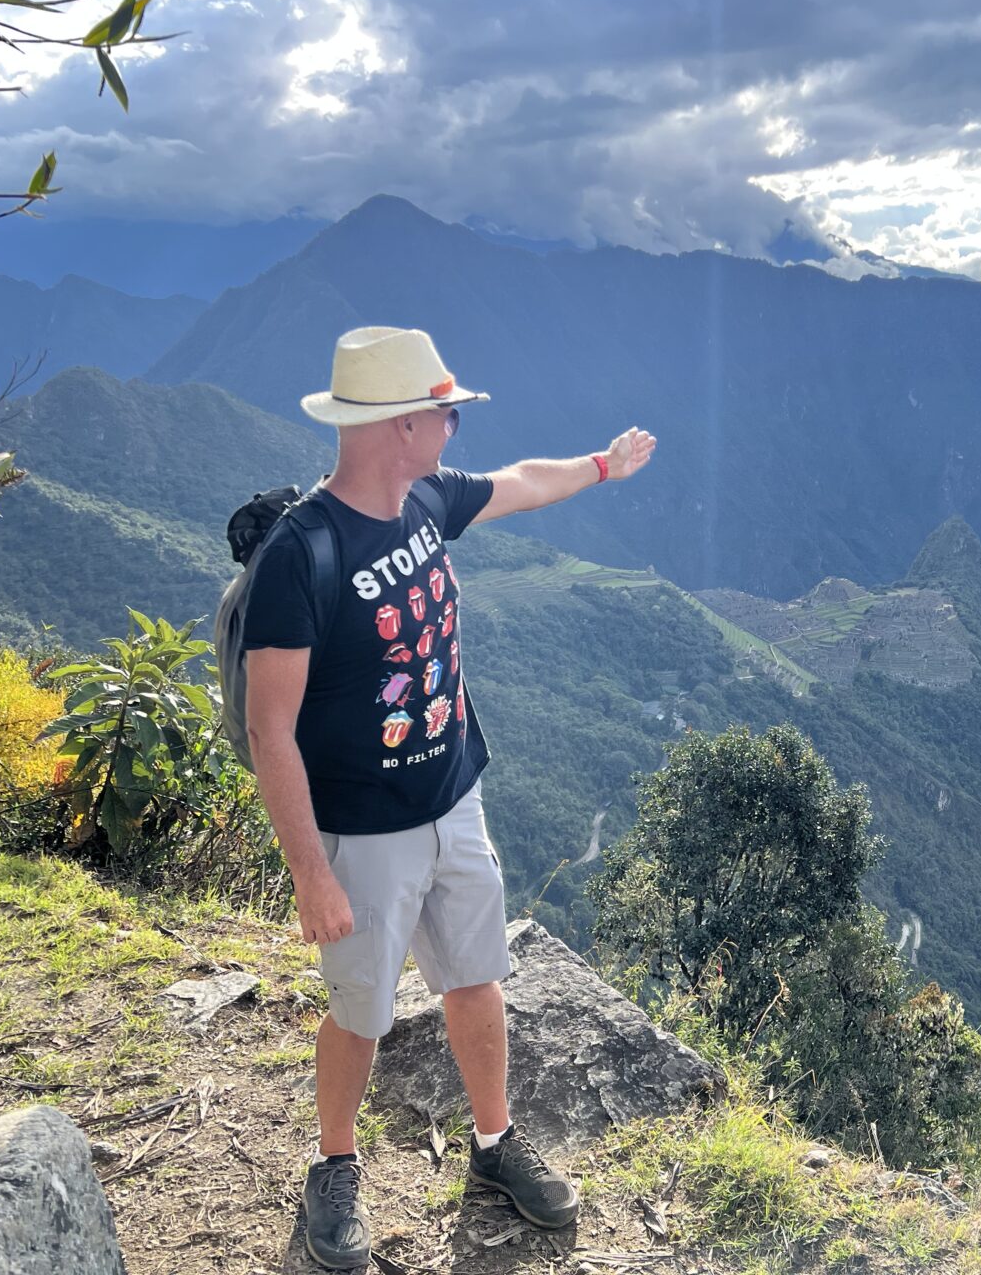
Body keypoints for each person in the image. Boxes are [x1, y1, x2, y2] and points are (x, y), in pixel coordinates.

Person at [242, 325, 656, 1270]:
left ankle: (493, 1144)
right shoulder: (301, 557)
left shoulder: (425, 499)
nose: (456, 423)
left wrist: (603, 465)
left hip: (453, 799)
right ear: (397, 425)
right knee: (361, 1014)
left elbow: (521, 481)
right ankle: (334, 1167)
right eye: (444, 411)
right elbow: (273, 731)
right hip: (364, 831)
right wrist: (311, 872)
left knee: (477, 980)